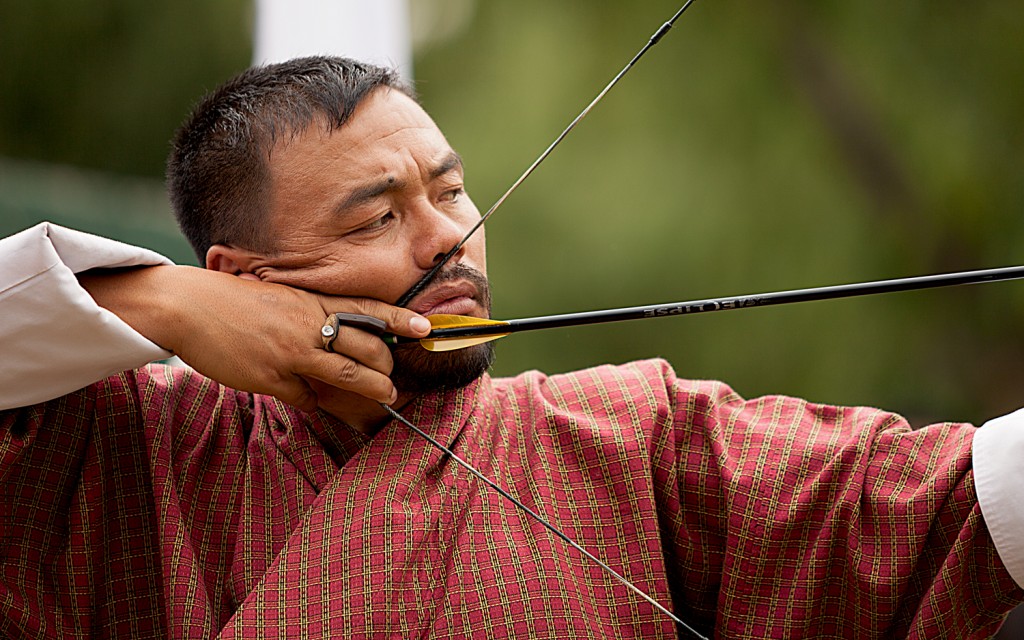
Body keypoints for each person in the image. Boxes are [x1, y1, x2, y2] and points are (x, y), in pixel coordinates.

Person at [1, 56, 1022, 639]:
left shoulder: (634, 438)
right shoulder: (117, 450)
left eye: (448, 191)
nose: (446, 236)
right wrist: (160, 305)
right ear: (242, 278)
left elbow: (954, 498)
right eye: (375, 218)